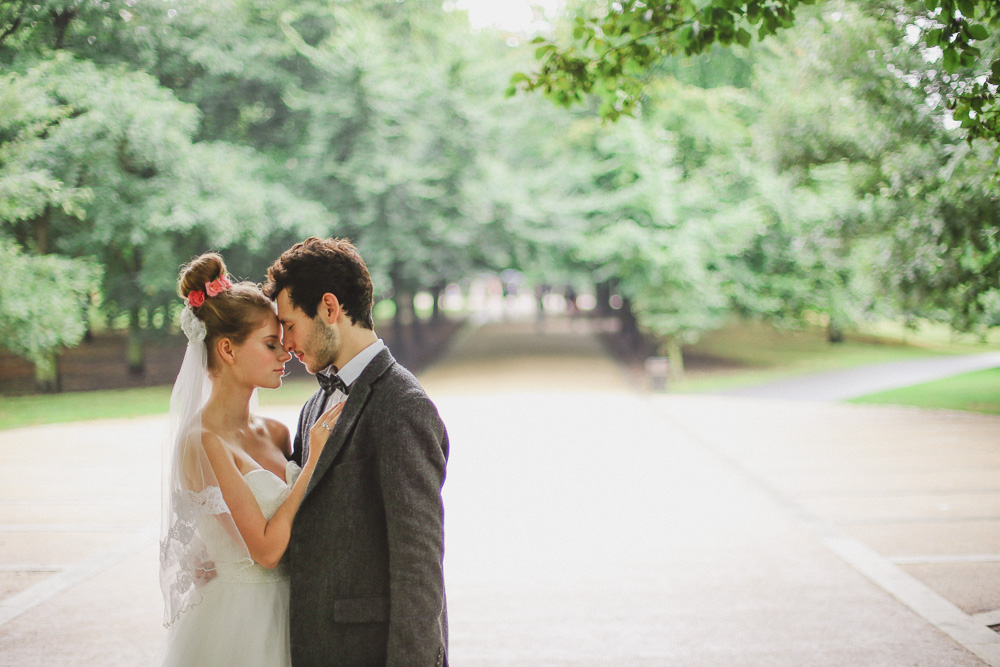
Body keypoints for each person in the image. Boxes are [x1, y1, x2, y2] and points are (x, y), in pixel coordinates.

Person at [264, 237, 449, 667]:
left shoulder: (404, 405)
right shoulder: (312, 407)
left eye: (290, 324)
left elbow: (418, 566)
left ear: (330, 308)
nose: (286, 343)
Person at [158, 252, 344, 667]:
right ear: (227, 349)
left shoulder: (277, 432)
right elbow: (266, 551)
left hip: (301, 614)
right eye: (270, 344)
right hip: (242, 626)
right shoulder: (203, 442)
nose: (286, 354)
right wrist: (313, 461)